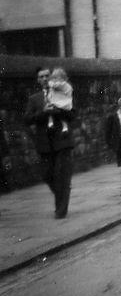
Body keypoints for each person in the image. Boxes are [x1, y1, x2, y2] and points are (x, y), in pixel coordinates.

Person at [24, 67, 75, 218]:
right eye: (42, 77)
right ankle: (62, 194)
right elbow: (27, 119)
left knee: (62, 175)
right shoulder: (34, 99)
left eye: (47, 76)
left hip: (62, 140)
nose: (45, 79)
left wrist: (58, 111)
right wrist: (43, 113)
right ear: (38, 80)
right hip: (45, 143)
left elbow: (73, 114)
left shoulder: (63, 92)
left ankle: (61, 211)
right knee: (47, 175)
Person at [45, 68, 73, 134]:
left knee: (51, 112)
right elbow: (52, 94)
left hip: (61, 104)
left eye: (56, 78)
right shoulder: (64, 86)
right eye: (53, 78)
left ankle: (51, 124)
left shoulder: (62, 84)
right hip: (63, 104)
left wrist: (49, 82)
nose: (54, 80)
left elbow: (54, 86)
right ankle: (64, 128)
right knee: (61, 117)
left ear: (62, 78)